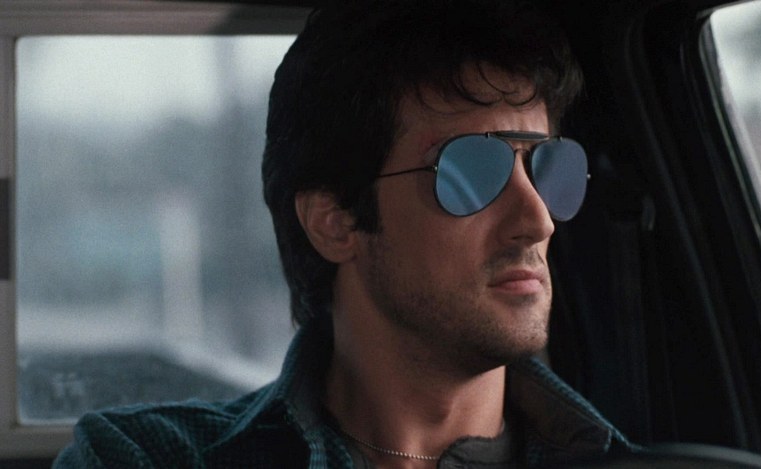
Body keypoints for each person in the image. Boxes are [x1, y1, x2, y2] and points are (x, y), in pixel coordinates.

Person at [54, 0, 633, 467]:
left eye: (549, 168)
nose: (538, 219)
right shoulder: (148, 458)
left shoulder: (633, 463)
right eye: (472, 173)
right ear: (334, 222)